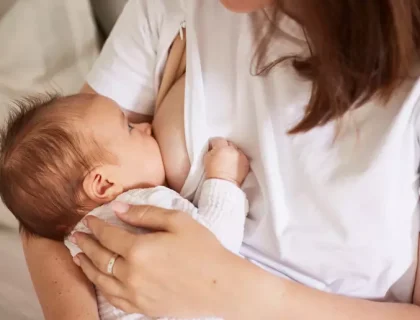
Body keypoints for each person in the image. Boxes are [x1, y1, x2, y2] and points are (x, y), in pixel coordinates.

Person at [20, 0, 420, 319]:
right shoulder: (173, 9)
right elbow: (48, 201)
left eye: (134, 125)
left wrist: (227, 289)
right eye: (131, 127)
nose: (141, 128)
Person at [0, 93, 249, 319]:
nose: (146, 126)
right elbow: (218, 253)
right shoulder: (144, 206)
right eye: (129, 128)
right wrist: (224, 179)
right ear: (104, 184)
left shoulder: (75, 247)